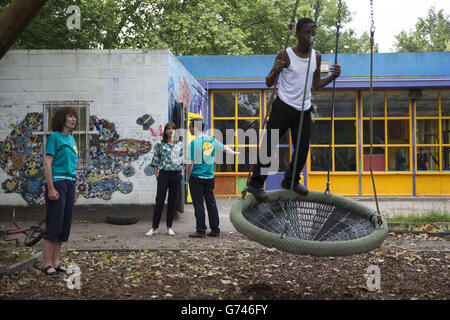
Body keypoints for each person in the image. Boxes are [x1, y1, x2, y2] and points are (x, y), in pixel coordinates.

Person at [245, 17, 341, 201]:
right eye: (306, 32)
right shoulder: (285, 54)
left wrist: (332, 77)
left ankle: (290, 180)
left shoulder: (317, 56)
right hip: (283, 106)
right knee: (270, 144)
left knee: (303, 148)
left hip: (303, 109)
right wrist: (275, 70)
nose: (310, 36)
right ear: (297, 34)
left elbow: (315, 84)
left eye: (312, 32)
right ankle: (256, 183)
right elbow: (268, 82)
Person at [186, 118, 238, 238]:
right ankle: (215, 230)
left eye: (190, 126)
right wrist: (234, 153)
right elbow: (225, 148)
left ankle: (200, 230)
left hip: (196, 177)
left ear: (196, 127)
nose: (189, 128)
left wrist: (188, 177)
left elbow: (190, 163)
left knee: (198, 204)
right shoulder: (211, 140)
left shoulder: (193, 143)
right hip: (209, 177)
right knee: (211, 203)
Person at [42, 107, 78, 275]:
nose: (74, 119)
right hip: (57, 183)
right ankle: (47, 263)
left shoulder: (72, 139)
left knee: (64, 226)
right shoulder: (54, 138)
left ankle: (56, 262)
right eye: (70, 116)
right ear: (62, 119)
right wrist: (51, 188)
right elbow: (48, 163)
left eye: (75, 117)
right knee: (54, 225)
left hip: (70, 184)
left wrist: (74, 188)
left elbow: (72, 166)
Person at [146, 122, 183, 236]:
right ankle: (154, 227)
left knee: (172, 202)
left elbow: (181, 159)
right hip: (163, 175)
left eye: (173, 128)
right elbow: (155, 160)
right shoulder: (160, 144)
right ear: (165, 131)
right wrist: (157, 174)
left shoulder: (180, 144)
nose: (171, 130)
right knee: (160, 201)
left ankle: (169, 227)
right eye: (168, 128)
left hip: (176, 175)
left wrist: (181, 172)